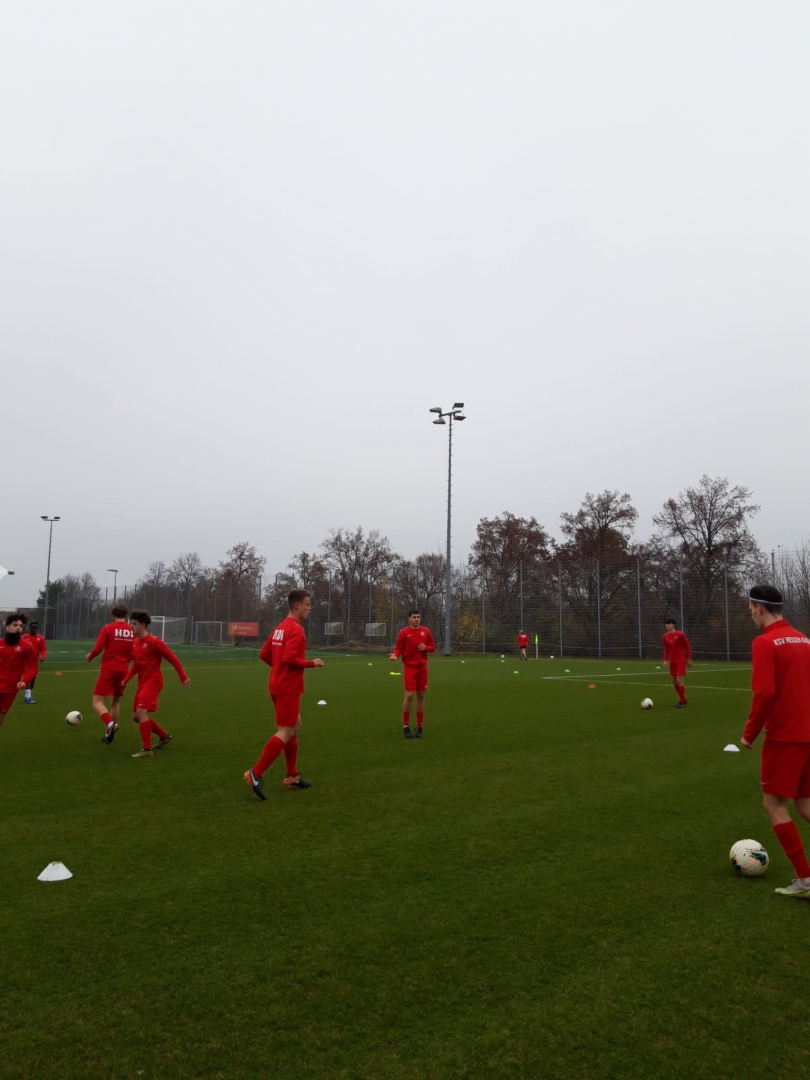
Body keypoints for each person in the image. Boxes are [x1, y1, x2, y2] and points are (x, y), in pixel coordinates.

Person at [740, 584, 810, 899]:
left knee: (774, 805)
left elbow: (765, 693)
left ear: (759, 608)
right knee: (805, 803)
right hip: (807, 733)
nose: (750, 615)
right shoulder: (804, 640)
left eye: (750, 609)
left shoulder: (765, 642)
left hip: (784, 736)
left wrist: (749, 734)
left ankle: (805, 881)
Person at [244, 588, 324, 800]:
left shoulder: (280, 628)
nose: (309, 608)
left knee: (295, 726)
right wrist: (312, 663)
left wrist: (278, 669)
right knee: (286, 731)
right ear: (297, 606)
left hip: (276, 684)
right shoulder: (296, 629)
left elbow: (264, 654)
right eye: (307, 604)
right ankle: (255, 773)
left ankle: (292, 775)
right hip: (288, 687)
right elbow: (289, 658)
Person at [122, 610, 190, 759]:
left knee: (141, 713)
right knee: (136, 717)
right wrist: (126, 679)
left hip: (153, 682)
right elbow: (137, 664)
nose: (131, 626)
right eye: (131, 623)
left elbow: (172, 658)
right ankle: (163, 736)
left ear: (143, 625)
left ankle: (146, 749)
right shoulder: (135, 642)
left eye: (134, 624)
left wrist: (183, 677)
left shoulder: (154, 642)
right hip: (142, 682)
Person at [86, 604, 134, 744]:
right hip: (124, 670)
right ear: (125, 615)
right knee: (115, 701)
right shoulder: (132, 630)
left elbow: (98, 648)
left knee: (97, 702)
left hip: (109, 669)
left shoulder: (107, 628)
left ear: (113, 615)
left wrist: (90, 656)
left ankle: (110, 724)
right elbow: (133, 652)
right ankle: (109, 732)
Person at [390, 609, 436, 738]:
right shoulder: (403, 632)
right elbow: (398, 648)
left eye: (418, 617)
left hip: (422, 668)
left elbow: (432, 647)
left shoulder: (426, 631)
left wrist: (425, 648)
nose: (416, 619)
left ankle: (419, 726)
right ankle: (405, 726)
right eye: (414, 617)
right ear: (409, 619)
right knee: (409, 695)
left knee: (421, 695)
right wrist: (395, 655)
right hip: (409, 668)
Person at [0, 613, 38, 725]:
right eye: (15, 625)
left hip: (10, 688)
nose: (18, 628)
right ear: (7, 627)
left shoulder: (27, 646)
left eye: (20, 626)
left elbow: (33, 666)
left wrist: (25, 681)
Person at [663, 618, 692, 707]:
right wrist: (665, 660)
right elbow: (666, 649)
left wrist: (688, 658)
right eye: (666, 623)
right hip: (672, 661)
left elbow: (687, 645)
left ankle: (682, 701)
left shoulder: (680, 634)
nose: (667, 625)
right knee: (674, 681)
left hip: (681, 660)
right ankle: (683, 698)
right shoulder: (665, 636)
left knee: (679, 679)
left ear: (673, 624)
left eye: (669, 623)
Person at [22, 619, 47, 704]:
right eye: (33, 627)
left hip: (35, 663)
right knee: (28, 678)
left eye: (36, 628)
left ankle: (26, 696)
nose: (35, 629)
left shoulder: (40, 638)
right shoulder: (24, 637)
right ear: (29, 628)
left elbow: (43, 649)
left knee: (32, 680)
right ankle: (29, 697)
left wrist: (43, 657)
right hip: (26, 662)